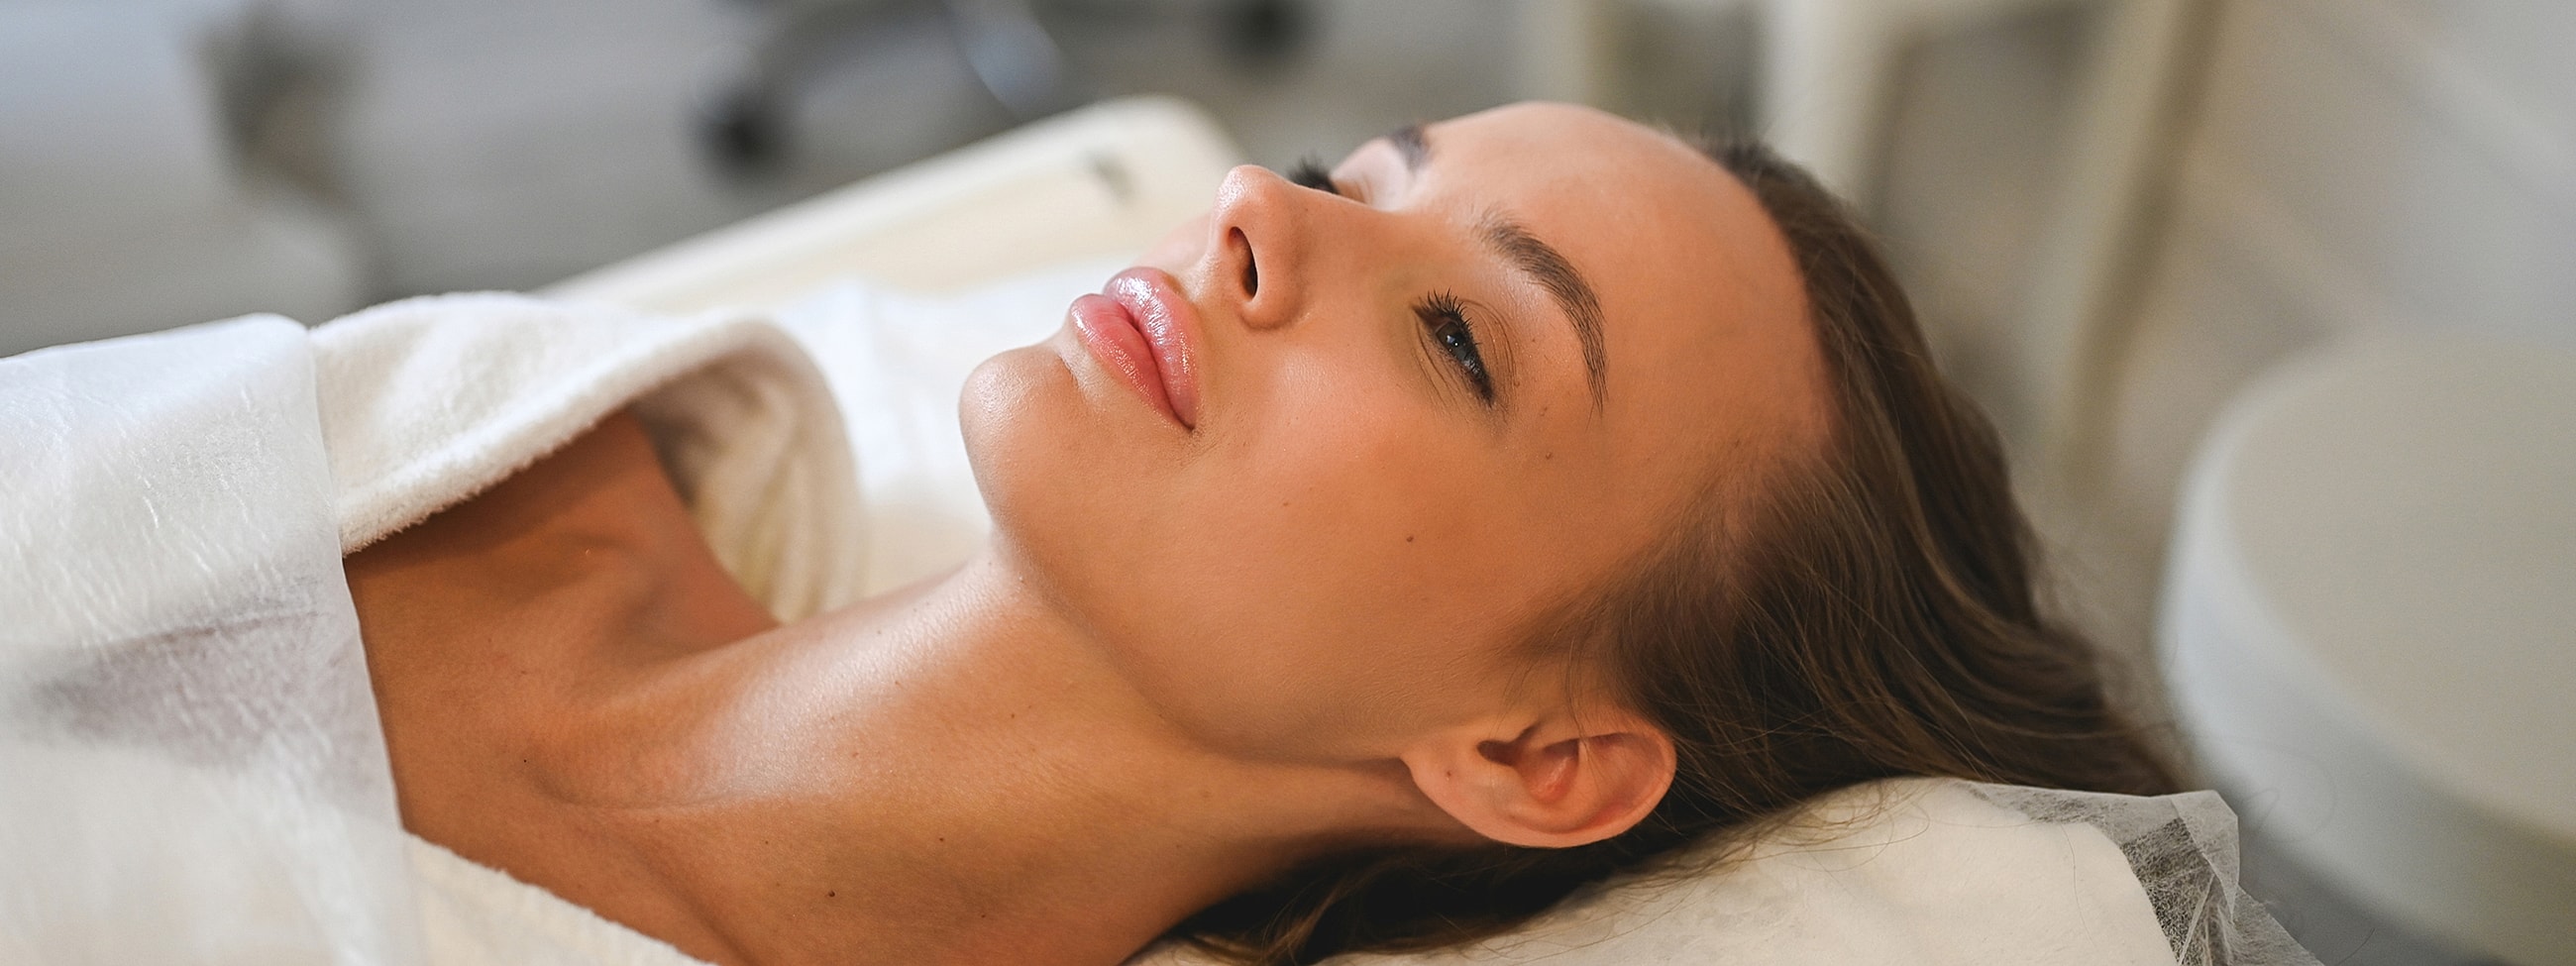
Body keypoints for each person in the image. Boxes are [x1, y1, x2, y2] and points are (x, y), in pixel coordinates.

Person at [343, 102, 2176, 966]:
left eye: (1462, 335)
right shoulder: (535, 462)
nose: (1244, 210)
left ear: (1536, 755)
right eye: (1354, 176)